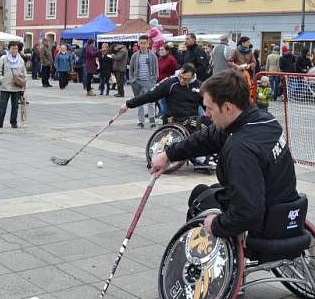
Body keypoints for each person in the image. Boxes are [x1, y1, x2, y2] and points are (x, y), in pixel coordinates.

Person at [150, 69, 298, 236]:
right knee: (204, 191)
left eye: (209, 108)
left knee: (199, 199)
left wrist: (216, 225)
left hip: (263, 222)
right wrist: (168, 154)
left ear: (228, 107)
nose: (206, 114)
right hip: (285, 206)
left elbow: (248, 212)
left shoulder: (240, 148)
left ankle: (199, 255)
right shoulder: (263, 119)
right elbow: (209, 137)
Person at [120, 62, 202, 126]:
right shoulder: (170, 82)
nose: (182, 81)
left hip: (192, 119)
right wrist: (128, 104)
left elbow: (208, 105)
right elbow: (150, 95)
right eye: (181, 77)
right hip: (173, 120)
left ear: (192, 77)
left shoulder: (199, 86)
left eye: (186, 79)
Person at [127, 35, 159, 128]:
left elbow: (156, 69)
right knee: (138, 102)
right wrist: (132, 80)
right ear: (138, 43)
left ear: (148, 44)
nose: (142, 45)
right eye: (141, 43)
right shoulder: (135, 55)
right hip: (137, 81)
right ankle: (141, 121)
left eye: (144, 43)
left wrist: (153, 80)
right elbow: (131, 69)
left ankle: (152, 121)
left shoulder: (152, 55)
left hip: (149, 81)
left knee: (151, 101)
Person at [0, 41, 27, 129]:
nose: (14, 50)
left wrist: (22, 81)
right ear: (9, 49)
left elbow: (24, 73)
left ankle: (14, 122)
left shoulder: (20, 60)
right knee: (2, 105)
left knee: (15, 106)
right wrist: (1, 80)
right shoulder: (4, 58)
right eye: (13, 48)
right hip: (5, 86)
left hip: (16, 87)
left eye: (16, 48)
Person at [156, 44, 180, 122]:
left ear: (167, 51)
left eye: (162, 50)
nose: (161, 51)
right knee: (161, 102)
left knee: (164, 103)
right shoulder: (159, 59)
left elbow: (176, 71)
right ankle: (164, 118)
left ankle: (165, 119)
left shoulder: (171, 59)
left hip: (168, 84)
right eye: (160, 50)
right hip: (159, 83)